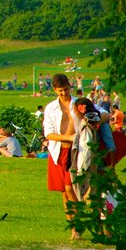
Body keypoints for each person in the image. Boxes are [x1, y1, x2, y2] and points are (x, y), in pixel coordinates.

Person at [43, 73, 80, 239]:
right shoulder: (51, 108)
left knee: (70, 189)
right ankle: (73, 228)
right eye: (60, 91)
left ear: (69, 86)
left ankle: (79, 226)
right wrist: (68, 137)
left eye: (65, 90)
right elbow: (49, 134)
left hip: (76, 152)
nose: (63, 94)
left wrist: (101, 119)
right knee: (64, 193)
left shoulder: (80, 104)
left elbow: (101, 113)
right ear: (54, 90)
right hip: (58, 152)